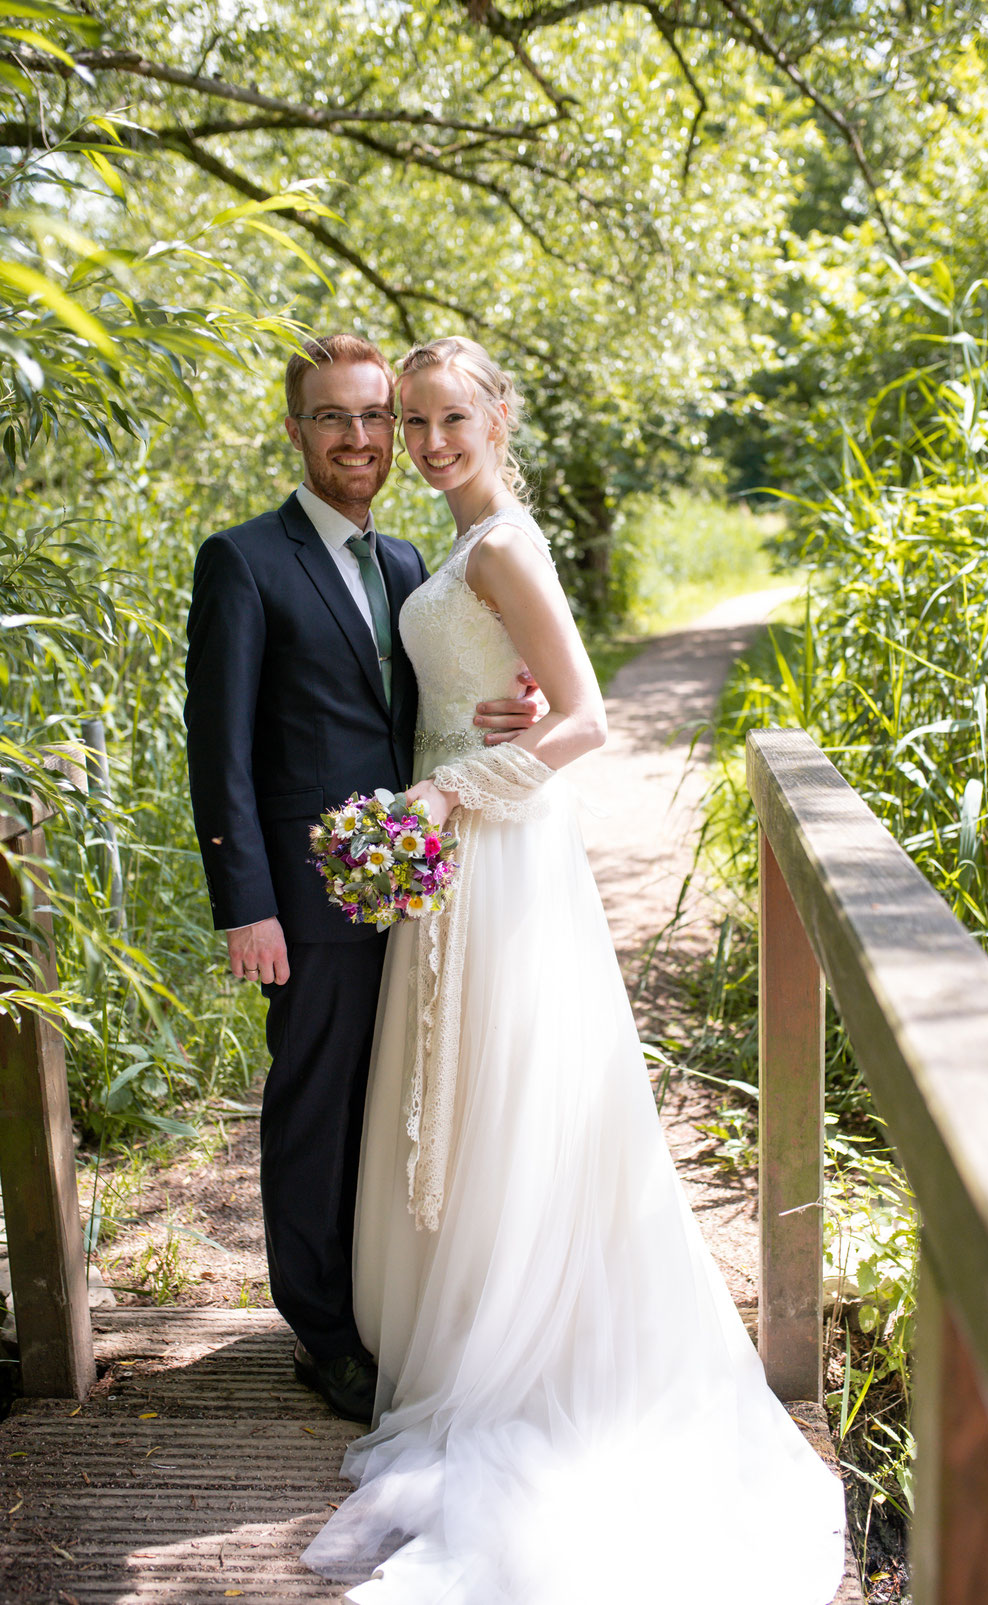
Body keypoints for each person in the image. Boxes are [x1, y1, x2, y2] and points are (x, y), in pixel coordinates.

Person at [301, 336, 846, 1603]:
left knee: (508, 1087)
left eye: (449, 420)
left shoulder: (497, 544)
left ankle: (523, 1356)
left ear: (496, 417)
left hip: (492, 847)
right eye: (414, 424)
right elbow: (515, 691)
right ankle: (466, 1328)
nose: (429, 444)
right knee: (478, 1091)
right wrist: (475, 746)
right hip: (464, 851)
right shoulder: (458, 544)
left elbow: (588, 716)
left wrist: (447, 786)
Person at [184, 335, 537, 1422]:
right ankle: (324, 1335)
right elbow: (219, 744)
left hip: (425, 884)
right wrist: (245, 901)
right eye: (332, 418)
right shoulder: (242, 560)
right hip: (305, 896)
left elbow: (436, 704)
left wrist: (510, 709)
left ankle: (390, 1307)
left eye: (375, 417)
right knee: (316, 1107)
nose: (359, 439)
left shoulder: (401, 566)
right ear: (296, 433)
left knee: (400, 1105)